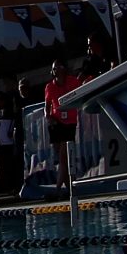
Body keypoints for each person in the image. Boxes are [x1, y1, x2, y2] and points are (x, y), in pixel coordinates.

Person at [44, 55, 87, 192]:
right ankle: (69, 187)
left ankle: (58, 188)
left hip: (69, 122)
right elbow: (47, 105)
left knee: (64, 156)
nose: (57, 70)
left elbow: (82, 92)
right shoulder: (50, 86)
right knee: (62, 157)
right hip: (56, 122)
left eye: (59, 67)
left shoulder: (73, 81)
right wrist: (48, 117)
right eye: (54, 68)